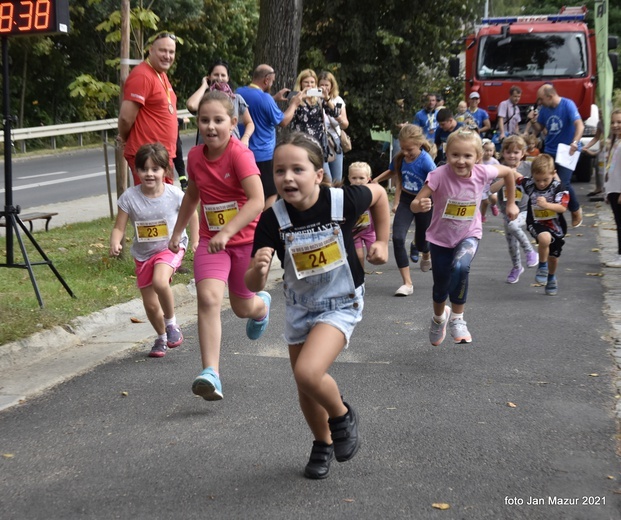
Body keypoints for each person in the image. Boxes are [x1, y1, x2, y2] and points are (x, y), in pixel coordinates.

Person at [245, 131, 390, 480]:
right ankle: (323, 442)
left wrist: (382, 241)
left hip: (341, 302)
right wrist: (258, 268)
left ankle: (341, 416)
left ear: (318, 175)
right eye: (280, 171)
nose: (288, 178)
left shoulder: (342, 201)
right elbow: (252, 285)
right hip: (300, 306)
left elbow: (381, 194)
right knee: (306, 385)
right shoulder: (272, 219)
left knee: (308, 372)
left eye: (298, 169)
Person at [168, 91, 271, 400]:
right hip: (212, 243)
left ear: (233, 121)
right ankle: (210, 372)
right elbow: (192, 196)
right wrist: (177, 232)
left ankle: (261, 307)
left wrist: (227, 231)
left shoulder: (240, 154)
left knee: (241, 308)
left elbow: (257, 201)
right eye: (204, 120)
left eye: (218, 120)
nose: (210, 127)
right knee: (209, 299)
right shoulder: (196, 156)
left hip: (244, 241)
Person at [411, 129, 519, 346]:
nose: (461, 161)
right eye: (455, 155)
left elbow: (508, 173)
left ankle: (458, 319)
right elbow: (416, 202)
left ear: (477, 157)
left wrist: (511, 203)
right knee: (441, 285)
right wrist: (419, 205)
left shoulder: (482, 172)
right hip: (440, 238)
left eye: (467, 156)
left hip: (469, 234)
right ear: (447, 153)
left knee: (461, 268)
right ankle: (439, 318)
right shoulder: (438, 175)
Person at [109, 142, 199, 358]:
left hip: (171, 248)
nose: (149, 174)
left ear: (165, 171)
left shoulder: (175, 194)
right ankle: (161, 337)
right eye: (144, 169)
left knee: (160, 281)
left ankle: (172, 324)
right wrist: (115, 242)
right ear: (137, 171)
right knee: (150, 305)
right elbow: (119, 227)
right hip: (143, 255)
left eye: (155, 169)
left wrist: (195, 240)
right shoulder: (129, 198)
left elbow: (193, 214)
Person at [373, 124, 435, 296]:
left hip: (424, 201)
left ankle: (426, 252)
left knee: (423, 243)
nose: (406, 153)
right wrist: (376, 180)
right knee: (398, 237)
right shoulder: (401, 157)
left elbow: (437, 181)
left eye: (410, 150)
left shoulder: (426, 161)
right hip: (407, 201)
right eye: (403, 148)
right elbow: (392, 171)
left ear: (420, 144)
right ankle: (407, 283)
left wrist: (435, 203)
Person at [118, 33, 179, 186]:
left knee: (166, 205)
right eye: (162, 51)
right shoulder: (142, 75)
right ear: (151, 50)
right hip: (148, 157)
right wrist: (126, 138)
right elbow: (126, 118)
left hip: (163, 155)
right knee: (151, 205)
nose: (167, 56)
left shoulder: (161, 74)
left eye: (171, 52)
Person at [236, 64, 299, 209]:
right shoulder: (265, 98)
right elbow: (283, 121)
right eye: (272, 81)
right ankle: (264, 222)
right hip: (263, 155)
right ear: (266, 79)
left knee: (248, 193)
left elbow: (255, 105)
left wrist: (274, 98)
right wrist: (294, 105)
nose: (272, 84)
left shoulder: (239, 92)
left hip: (244, 152)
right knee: (270, 193)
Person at [530, 83, 584, 227]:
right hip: (550, 149)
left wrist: (575, 142)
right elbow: (539, 129)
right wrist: (533, 120)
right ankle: (552, 215)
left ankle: (575, 209)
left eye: (541, 99)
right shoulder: (545, 110)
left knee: (563, 183)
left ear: (550, 96)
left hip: (568, 150)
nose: (539, 102)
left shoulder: (568, 105)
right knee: (548, 182)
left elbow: (580, 125)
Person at [490, 135, 539, 283]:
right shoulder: (497, 169)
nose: (512, 155)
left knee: (513, 226)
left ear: (523, 153)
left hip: (525, 209)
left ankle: (530, 251)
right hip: (507, 212)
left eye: (516, 152)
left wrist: (517, 176)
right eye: (509, 152)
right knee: (511, 244)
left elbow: (534, 184)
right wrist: (507, 177)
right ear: (503, 153)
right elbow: (490, 189)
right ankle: (517, 267)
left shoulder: (528, 167)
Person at [520, 154, 569, 295]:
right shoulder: (529, 184)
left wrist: (547, 205)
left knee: (553, 256)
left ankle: (551, 276)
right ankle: (542, 265)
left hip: (556, 225)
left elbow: (562, 208)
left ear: (553, 174)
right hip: (536, 222)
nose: (541, 184)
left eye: (545, 180)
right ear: (532, 176)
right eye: (537, 180)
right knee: (544, 238)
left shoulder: (559, 187)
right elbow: (515, 177)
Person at [186, 59, 255, 146]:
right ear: (209, 77)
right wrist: (204, 85)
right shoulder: (203, 99)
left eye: (223, 75)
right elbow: (191, 105)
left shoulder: (236, 99)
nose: (219, 78)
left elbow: (249, 123)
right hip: (206, 149)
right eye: (216, 75)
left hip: (231, 149)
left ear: (228, 78)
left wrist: (245, 137)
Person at [288, 69, 340, 180]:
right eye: (306, 82)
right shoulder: (295, 97)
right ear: (301, 83)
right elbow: (289, 118)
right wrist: (301, 98)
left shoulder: (319, 99)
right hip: (302, 143)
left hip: (318, 145)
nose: (309, 85)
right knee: (305, 177)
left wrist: (327, 98)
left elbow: (336, 113)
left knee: (327, 180)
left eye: (312, 82)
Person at [319, 71, 349, 184]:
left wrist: (339, 119)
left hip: (334, 141)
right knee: (327, 179)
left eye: (326, 85)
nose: (324, 87)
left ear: (332, 85)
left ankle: (337, 200)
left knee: (337, 179)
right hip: (320, 140)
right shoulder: (314, 99)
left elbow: (345, 124)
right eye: (321, 85)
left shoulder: (337, 100)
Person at [348, 162, 377, 271]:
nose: (358, 181)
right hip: (354, 232)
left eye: (361, 178)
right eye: (354, 178)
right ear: (349, 178)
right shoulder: (348, 194)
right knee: (358, 256)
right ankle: (360, 277)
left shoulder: (373, 193)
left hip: (369, 231)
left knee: (373, 255)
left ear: (368, 178)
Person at [604, 109, 621, 268]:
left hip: (619, 189)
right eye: (613, 122)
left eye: (619, 122)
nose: (615, 125)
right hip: (613, 188)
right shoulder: (615, 141)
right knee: (618, 221)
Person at [479, 138, 500, 222]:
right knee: (485, 202)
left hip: (492, 184)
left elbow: (499, 172)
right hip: (482, 185)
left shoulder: (494, 162)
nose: (488, 153)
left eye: (490, 150)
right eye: (486, 150)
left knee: (494, 198)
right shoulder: (479, 161)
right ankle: (482, 215)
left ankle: (494, 205)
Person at [173, 117, 189, 190]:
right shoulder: (176, 119)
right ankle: (183, 184)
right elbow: (187, 120)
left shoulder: (166, 120)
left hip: (169, 146)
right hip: (178, 146)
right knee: (180, 166)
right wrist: (184, 118)